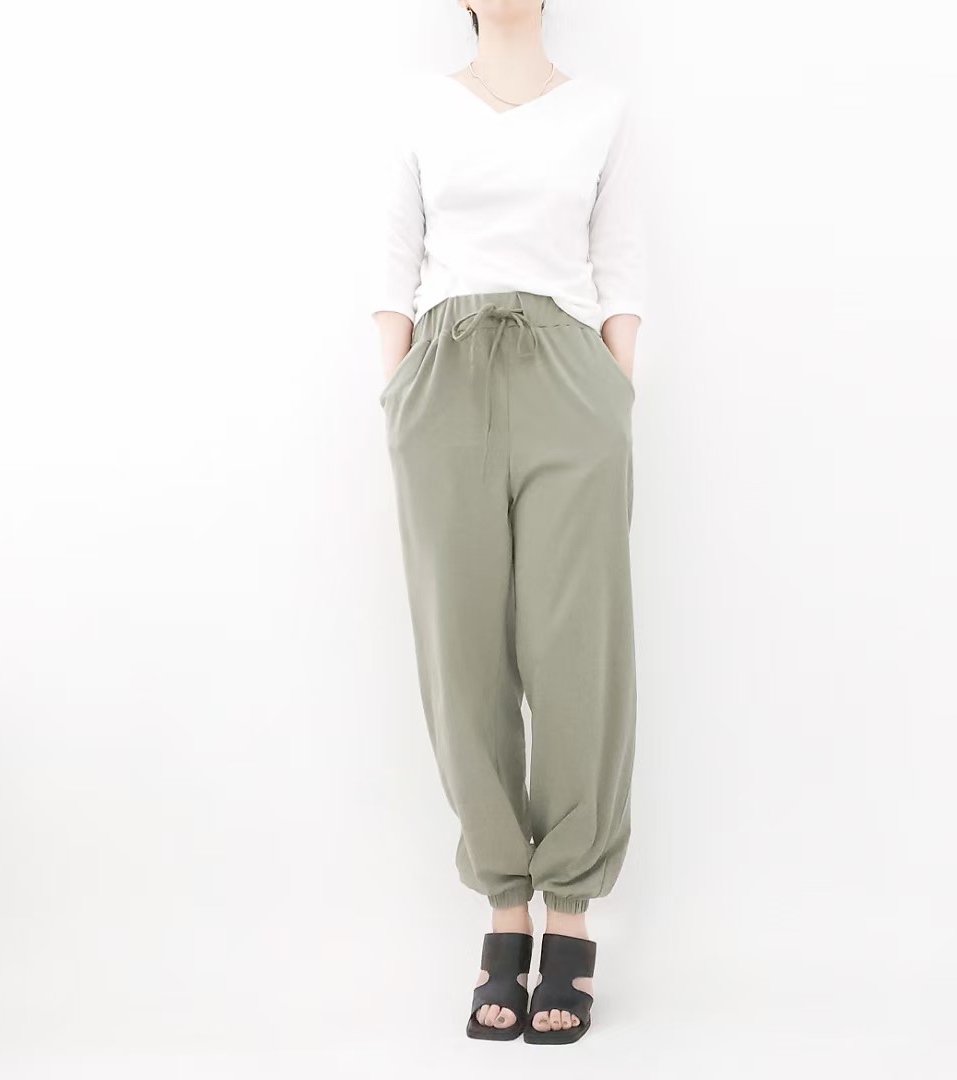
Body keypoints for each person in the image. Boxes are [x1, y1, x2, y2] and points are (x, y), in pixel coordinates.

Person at [368, 0, 646, 1044]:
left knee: (578, 648)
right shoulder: (420, 106)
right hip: (443, 375)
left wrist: (615, 393)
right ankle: (503, 908)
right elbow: (392, 259)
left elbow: (620, 266)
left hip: (568, 372)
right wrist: (398, 392)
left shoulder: (601, 110)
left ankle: (568, 913)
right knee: (461, 650)